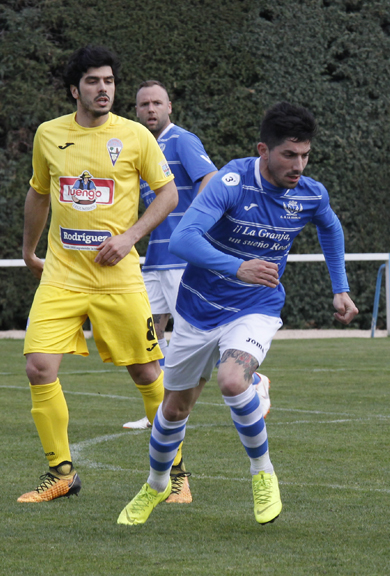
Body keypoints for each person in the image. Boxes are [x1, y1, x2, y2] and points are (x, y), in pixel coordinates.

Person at [117, 102, 358, 526]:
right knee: (173, 410)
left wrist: (340, 288)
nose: (298, 165)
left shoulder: (310, 193)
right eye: (289, 155)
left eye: (305, 155)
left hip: (256, 307)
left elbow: (331, 227)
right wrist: (237, 267)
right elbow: (184, 239)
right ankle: (156, 485)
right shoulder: (232, 180)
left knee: (231, 380)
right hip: (197, 308)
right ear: (263, 149)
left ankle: (262, 474)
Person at [18, 45, 179, 503]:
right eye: (93, 81)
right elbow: (39, 194)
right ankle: (62, 474)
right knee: (38, 365)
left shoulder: (134, 136)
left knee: (147, 371)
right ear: (75, 89)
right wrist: (29, 251)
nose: (103, 88)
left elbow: (167, 195)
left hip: (119, 278)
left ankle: (178, 475)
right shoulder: (49, 135)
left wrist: (130, 237)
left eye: (108, 80)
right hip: (63, 277)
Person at [123, 81, 272, 440]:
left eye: (157, 103)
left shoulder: (182, 140)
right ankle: (158, 409)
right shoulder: (143, 147)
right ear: (136, 110)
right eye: (144, 105)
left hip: (181, 260)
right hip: (155, 259)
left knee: (199, 330)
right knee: (145, 336)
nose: (151, 110)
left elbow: (211, 178)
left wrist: (198, 228)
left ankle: (254, 379)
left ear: (170, 106)